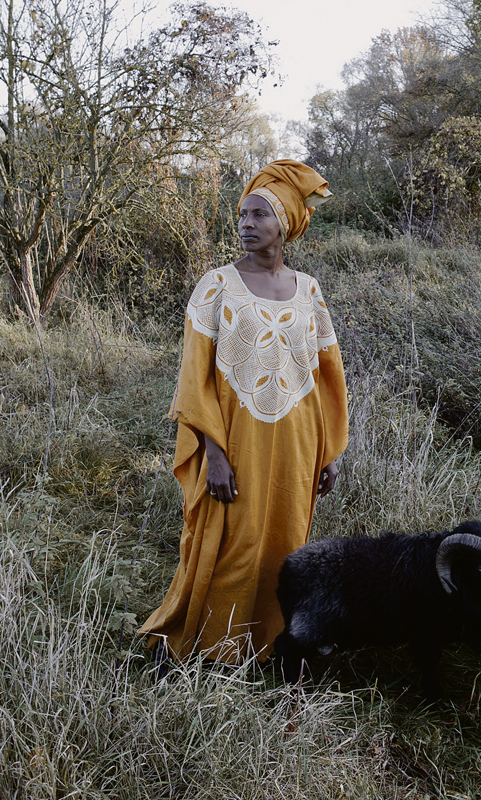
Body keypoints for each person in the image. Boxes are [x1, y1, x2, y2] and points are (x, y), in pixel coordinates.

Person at [139, 160, 348, 664]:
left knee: (285, 544)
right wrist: (213, 453)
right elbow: (196, 379)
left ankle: (270, 648)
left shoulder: (308, 290)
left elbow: (324, 375)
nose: (246, 224)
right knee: (231, 543)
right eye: (242, 215)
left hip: (298, 442)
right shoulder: (217, 286)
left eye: (259, 214)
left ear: (285, 223)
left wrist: (327, 451)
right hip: (235, 439)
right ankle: (208, 647)